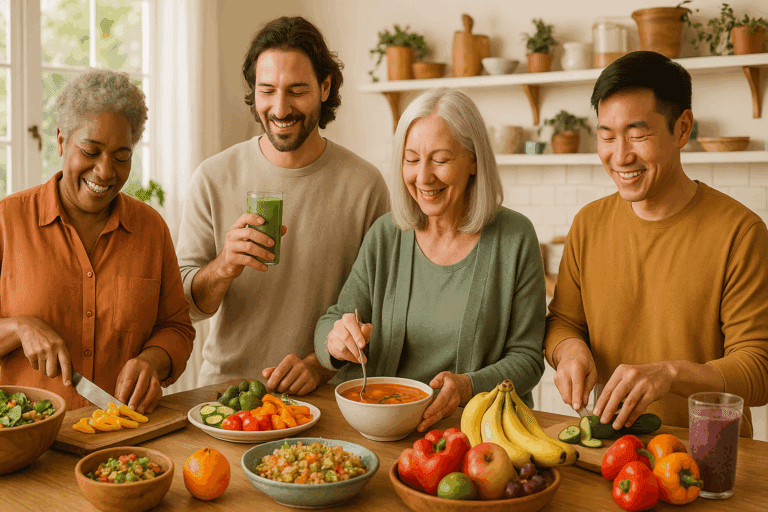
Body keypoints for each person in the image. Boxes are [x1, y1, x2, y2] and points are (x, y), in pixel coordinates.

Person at [545, 51, 768, 437]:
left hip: (707, 455)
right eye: (606, 135)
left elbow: (759, 368)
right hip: (610, 447)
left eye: (638, 134)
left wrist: (669, 374)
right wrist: (569, 351)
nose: (620, 155)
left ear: (682, 129)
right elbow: (563, 322)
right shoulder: (588, 224)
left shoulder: (740, 232)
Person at [176, 16, 389, 394]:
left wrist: (319, 366)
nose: (280, 108)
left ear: (325, 87)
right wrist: (224, 265)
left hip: (327, 397)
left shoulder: (365, 185)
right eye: (267, 90)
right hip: (228, 394)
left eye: (297, 90)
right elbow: (187, 307)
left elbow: (377, 308)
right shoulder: (213, 177)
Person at [314, 88, 546, 432]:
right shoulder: (386, 234)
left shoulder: (514, 237)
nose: (423, 177)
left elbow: (528, 360)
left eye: (440, 159)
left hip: (473, 431)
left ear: (474, 161)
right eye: (411, 159)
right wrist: (336, 341)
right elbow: (332, 322)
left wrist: (468, 386)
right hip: (380, 428)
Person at [0, 69, 195, 414]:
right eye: (91, 150)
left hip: (122, 438)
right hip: (25, 443)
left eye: (122, 157)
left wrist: (153, 361)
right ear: (61, 140)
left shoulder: (151, 229)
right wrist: (19, 328)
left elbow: (176, 328)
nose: (106, 171)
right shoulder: (7, 221)